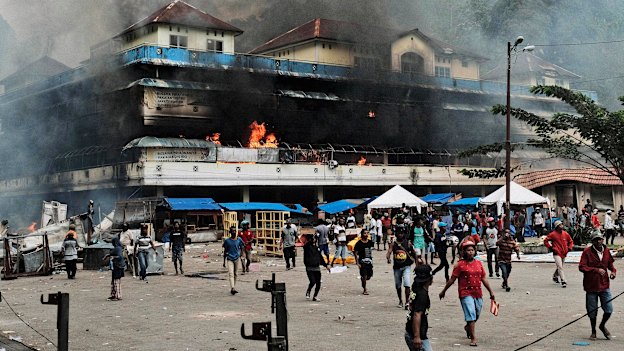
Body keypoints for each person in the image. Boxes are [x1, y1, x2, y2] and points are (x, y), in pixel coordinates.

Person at [439, 240, 495, 347]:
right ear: (464, 252)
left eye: (472, 250)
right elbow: (452, 279)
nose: (470, 252)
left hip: (477, 292)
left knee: (477, 313)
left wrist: (491, 292)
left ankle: (467, 327)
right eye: (468, 250)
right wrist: (443, 291)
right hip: (465, 293)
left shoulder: (479, 263)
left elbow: (483, 278)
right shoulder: (460, 265)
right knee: (471, 313)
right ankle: (473, 338)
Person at [579, 230, 617, 340]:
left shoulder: (606, 251)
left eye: (600, 239)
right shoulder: (587, 252)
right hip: (591, 285)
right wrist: (596, 270)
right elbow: (582, 267)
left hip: (604, 285)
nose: (600, 241)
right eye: (597, 240)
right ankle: (593, 331)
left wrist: (613, 272)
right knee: (592, 310)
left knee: (609, 309)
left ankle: (602, 325)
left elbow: (611, 265)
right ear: (593, 242)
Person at [405, 265, 434, 351]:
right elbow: (417, 314)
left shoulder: (416, 286)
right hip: (417, 335)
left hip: (410, 330)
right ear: (430, 279)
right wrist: (417, 337)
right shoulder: (422, 295)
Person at [387, 228, 415, 309]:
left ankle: (407, 302)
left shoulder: (408, 243)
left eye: (402, 233)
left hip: (406, 266)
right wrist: (388, 258)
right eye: (399, 233)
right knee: (398, 285)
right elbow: (389, 251)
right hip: (397, 267)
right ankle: (400, 300)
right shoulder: (393, 244)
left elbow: (414, 253)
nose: (400, 235)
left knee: (407, 284)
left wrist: (417, 264)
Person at [543, 220, 574, 288]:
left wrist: (569, 248)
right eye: (560, 225)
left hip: (564, 252)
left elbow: (570, 241)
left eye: (561, 225)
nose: (561, 226)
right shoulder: (553, 234)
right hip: (556, 253)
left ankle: (555, 276)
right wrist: (551, 247)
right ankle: (563, 280)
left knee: (560, 266)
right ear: (557, 226)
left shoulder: (565, 234)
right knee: (560, 266)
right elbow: (545, 241)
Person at [303, 233, 330, 301]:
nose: (315, 240)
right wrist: (312, 237)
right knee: (312, 281)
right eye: (314, 239)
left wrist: (326, 265)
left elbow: (320, 257)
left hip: (317, 267)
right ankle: (308, 290)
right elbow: (306, 244)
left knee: (318, 282)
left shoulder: (317, 248)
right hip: (309, 267)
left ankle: (315, 296)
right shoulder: (307, 247)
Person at [222, 226, 244, 295]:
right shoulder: (227, 241)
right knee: (231, 273)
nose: (234, 232)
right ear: (230, 232)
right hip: (229, 259)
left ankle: (233, 286)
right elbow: (225, 251)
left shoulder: (239, 239)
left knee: (235, 274)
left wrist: (241, 254)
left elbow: (242, 246)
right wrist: (224, 261)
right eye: (232, 231)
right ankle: (232, 288)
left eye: (235, 231)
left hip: (237, 258)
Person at [104, 236, 125, 301]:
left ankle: (117, 296)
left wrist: (113, 258)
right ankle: (114, 294)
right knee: (114, 281)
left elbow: (119, 256)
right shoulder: (119, 248)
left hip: (118, 266)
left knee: (116, 281)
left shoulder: (117, 249)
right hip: (119, 266)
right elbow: (111, 254)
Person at [354, 230, 374, 295]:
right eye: (365, 233)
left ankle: (363, 280)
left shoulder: (370, 242)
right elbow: (355, 253)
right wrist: (357, 263)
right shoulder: (358, 243)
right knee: (364, 276)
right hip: (362, 262)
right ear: (362, 234)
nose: (366, 234)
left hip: (369, 262)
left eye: (367, 233)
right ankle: (365, 289)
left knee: (369, 276)